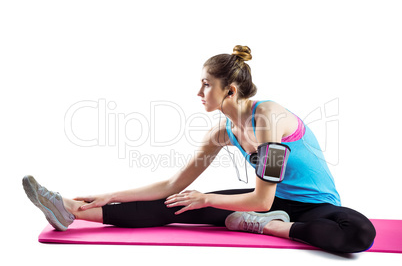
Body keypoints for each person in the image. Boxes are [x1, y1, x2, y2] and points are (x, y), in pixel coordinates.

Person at [23, 45, 376, 253]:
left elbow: (262, 202)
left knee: (360, 233)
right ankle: (68, 209)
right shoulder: (223, 132)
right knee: (176, 205)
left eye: (206, 84)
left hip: (314, 207)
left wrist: (207, 199)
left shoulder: (269, 119)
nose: (199, 92)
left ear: (231, 91)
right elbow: (171, 185)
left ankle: (268, 228)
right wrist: (109, 194)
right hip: (269, 202)